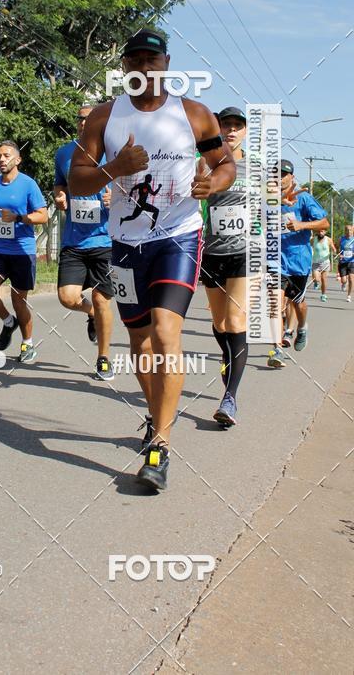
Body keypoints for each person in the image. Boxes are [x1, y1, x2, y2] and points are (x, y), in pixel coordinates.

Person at [69, 29, 236, 491]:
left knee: (166, 332)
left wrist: (214, 184)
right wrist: (114, 169)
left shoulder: (194, 114)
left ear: (166, 63)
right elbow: (78, 180)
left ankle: (160, 444)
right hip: (124, 244)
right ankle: (154, 413)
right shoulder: (104, 117)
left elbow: (224, 164)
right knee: (139, 342)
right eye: (135, 59)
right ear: (125, 65)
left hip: (178, 238)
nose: (144, 67)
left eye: (152, 58)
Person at [54, 106, 114, 380]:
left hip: (105, 240)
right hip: (74, 240)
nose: (85, 122)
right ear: (77, 123)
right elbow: (59, 185)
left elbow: (132, 186)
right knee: (67, 298)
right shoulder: (64, 153)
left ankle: (103, 357)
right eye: (81, 118)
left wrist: (116, 199)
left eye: (91, 118)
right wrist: (60, 197)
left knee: (103, 299)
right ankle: (89, 313)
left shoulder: (113, 151)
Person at [200, 107, 248, 427]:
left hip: (245, 253)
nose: (231, 130)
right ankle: (228, 355)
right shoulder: (205, 163)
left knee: (234, 320)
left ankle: (229, 399)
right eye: (226, 125)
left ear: (245, 131)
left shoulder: (256, 169)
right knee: (219, 323)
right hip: (213, 253)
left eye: (237, 125)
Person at [0, 140, 48, 362]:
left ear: (17, 160)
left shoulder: (28, 185)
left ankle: (27, 343)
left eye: (6, 155)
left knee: (19, 301)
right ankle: (9, 322)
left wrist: (19, 217)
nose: (1, 159)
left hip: (22, 251)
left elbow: (43, 215)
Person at [267, 159, 329, 368]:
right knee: (275, 303)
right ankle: (277, 349)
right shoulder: (267, 199)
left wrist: (302, 224)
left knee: (298, 303)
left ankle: (302, 327)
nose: (280, 178)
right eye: (275, 174)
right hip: (274, 261)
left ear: (292, 177)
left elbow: (324, 223)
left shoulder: (303, 198)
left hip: (298, 261)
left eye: (284, 174)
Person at [311, 228, 336, 302]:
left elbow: (333, 248)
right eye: (319, 231)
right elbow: (307, 246)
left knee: (323, 279)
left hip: (325, 263)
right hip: (316, 262)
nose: (320, 233)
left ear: (325, 232)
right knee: (317, 278)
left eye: (322, 231)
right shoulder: (313, 239)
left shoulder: (328, 239)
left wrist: (334, 251)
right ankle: (315, 282)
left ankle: (323, 294)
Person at [337, 224, 354, 302]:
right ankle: (344, 283)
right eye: (347, 230)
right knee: (344, 280)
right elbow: (338, 249)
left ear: (352, 231)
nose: (349, 231)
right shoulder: (341, 239)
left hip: (352, 261)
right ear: (345, 231)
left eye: (350, 230)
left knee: (351, 279)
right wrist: (339, 254)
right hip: (343, 262)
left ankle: (349, 295)